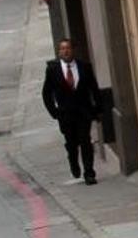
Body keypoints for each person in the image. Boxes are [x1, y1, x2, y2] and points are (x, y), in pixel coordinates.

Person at [41, 39, 102, 185]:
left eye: (68, 48)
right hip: (65, 114)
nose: (66, 51)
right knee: (72, 143)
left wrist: (97, 109)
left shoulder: (84, 67)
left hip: (83, 112)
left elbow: (94, 89)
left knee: (85, 141)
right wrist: (54, 112)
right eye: (62, 49)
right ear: (59, 52)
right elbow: (46, 93)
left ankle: (89, 173)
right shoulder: (53, 69)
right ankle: (73, 162)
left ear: (73, 50)